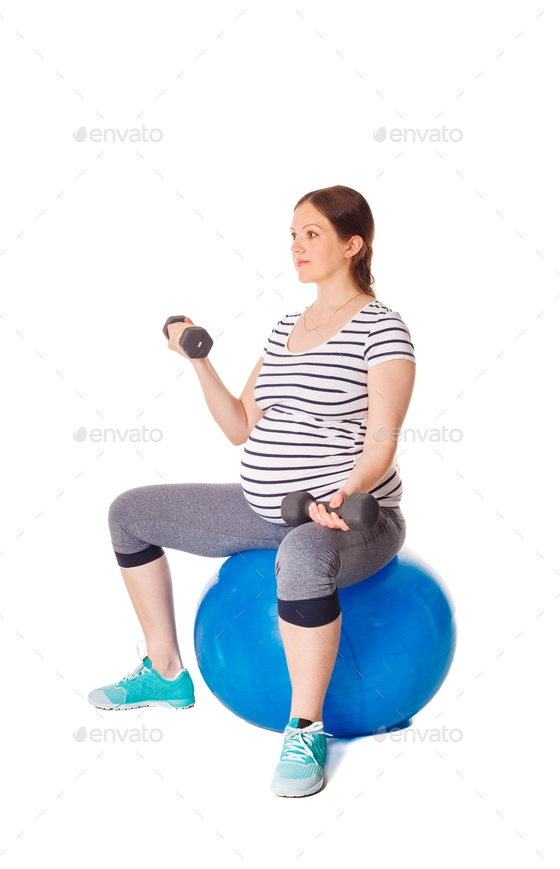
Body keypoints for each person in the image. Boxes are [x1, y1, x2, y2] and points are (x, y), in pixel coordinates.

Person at [87, 184, 416, 798]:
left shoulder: (383, 329)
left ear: (353, 245)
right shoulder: (287, 326)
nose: (296, 246)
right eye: (292, 234)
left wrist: (341, 496)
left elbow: (381, 445)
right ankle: (165, 671)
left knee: (301, 556)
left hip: (353, 515)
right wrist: (198, 361)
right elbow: (241, 426)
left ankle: (305, 729)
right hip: (266, 507)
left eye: (312, 234)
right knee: (129, 513)